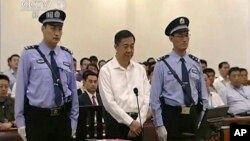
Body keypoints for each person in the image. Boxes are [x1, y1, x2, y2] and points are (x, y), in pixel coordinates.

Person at [15, 9, 79, 141]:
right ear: (43, 28)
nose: (57, 33)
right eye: (53, 28)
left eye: (60, 29)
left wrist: (73, 120)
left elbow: (73, 90)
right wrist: (20, 122)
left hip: (62, 118)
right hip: (38, 118)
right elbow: (21, 90)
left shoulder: (66, 55)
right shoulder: (29, 54)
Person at [150, 17, 208, 141]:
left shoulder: (195, 63)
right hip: (172, 117)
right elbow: (155, 99)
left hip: (193, 116)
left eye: (187, 35)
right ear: (171, 38)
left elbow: (203, 95)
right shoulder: (162, 64)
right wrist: (159, 125)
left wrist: (203, 119)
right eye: (180, 36)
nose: (185, 39)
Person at [98, 30, 150, 141]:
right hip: (116, 123)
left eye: (132, 46)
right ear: (116, 46)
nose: (129, 50)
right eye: (125, 46)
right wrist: (130, 123)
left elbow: (146, 97)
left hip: (138, 123)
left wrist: (139, 122)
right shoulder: (106, 70)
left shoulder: (140, 69)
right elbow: (109, 103)